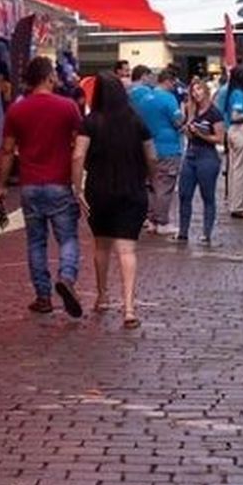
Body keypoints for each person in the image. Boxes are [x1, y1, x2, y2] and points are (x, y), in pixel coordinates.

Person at [0, 56, 84, 318]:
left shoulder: (17, 110)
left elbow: (8, 151)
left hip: (30, 185)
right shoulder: (67, 107)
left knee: (36, 242)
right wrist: (79, 181)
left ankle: (43, 296)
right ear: (48, 78)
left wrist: (0, 185)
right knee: (67, 237)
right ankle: (66, 277)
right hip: (60, 182)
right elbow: (78, 144)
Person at [72, 74, 157, 328]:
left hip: (99, 191)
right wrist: (150, 178)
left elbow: (78, 156)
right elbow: (152, 156)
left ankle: (102, 295)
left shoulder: (90, 122)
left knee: (101, 246)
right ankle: (129, 308)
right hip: (132, 190)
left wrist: (77, 188)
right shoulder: (137, 121)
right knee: (127, 250)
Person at [135, 67, 184, 234]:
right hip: (167, 147)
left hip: (147, 147)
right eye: (174, 83)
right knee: (165, 185)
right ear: (168, 81)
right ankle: (162, 221)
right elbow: (178, 121)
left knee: (150, 185)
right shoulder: (169, 99)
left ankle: (150, 219)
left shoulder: (145, 98)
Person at [176, 79, 225, 245]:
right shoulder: (192, 110)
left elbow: (219, 138)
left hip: (207, 157)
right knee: (184, 194)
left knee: (208, 196)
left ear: (205, 91)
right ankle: (183, 232)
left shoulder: (214, 113)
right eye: (193, 90)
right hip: (191, 154)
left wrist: (201, 134)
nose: (196, 93)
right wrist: (187, 131)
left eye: (199, 89)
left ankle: (206, 233)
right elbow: (187, 131)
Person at [221, 66, 243, 217]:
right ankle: (240, 206)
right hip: (240, 130)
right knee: (242, 170)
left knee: (235, 170)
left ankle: (235, 203)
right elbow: (235, 115)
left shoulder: (231, 92)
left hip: (232, 131)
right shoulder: (239, 94)